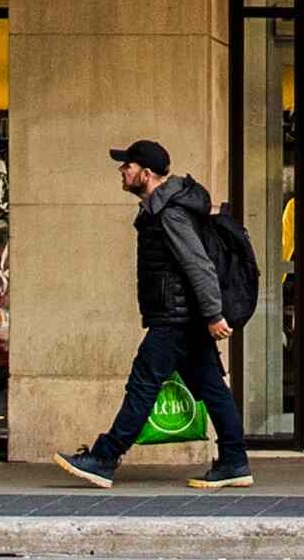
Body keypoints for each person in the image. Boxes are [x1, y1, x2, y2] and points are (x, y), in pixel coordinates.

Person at [50, 137, 252, 491]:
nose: (121, 171)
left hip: (176, 319)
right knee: (211, 387)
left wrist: (213, 314)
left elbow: (198, 266)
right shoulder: (160, 210)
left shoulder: (170, 213)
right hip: (181, 317)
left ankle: (104, 457)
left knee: (143, 383)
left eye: (127, 166)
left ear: (145, 173)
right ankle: (234, 461)